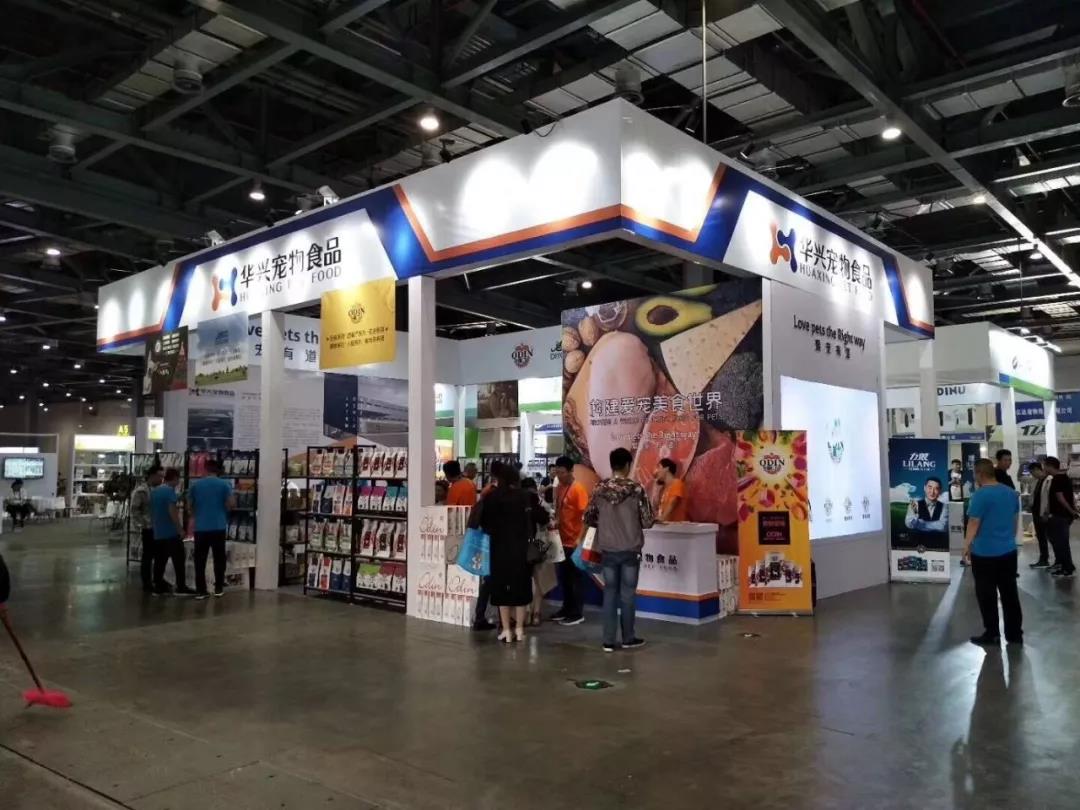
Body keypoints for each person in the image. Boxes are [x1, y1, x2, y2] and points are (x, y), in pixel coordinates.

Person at [584, 447, 654, 652]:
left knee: (609, 593)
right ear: (628, 465)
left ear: (612, 464)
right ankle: (628, 638)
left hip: (608, 549)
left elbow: (589, 517)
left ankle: (608, 641)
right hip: (631, 549)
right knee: (628, 594)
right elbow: (648, 521)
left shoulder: (599, 489)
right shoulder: (637, 490)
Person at [964, 459, 1022, 646]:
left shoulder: (980, 495)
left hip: (984, 553)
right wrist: (1009, 539)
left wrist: (966, 546)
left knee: (986, 595)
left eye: (975, 474)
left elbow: (974, 522)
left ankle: (992, 634)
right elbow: (1014, 521)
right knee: (1010, 593)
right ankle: (1015, 635)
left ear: (979, 474)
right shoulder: (1011, 493)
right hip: (1008, 551)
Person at [478, 465, 534, 643]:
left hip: (498, 549)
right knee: (521, 588)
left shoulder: (492, 497)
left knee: (501, 590)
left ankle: (506, 631)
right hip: (522, 549)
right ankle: (520, 629)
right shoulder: (525, 496)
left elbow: (484, 523)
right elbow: (535, 520)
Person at [187, 457, 235, 599]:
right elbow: (231, 504)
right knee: (219, 559)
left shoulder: (195, 485)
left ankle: (201, 590)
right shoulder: (225, 484)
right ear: (218, 470)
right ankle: (218, 588)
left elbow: (189, 506)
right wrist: (224, 509)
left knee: (200, 560)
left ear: (206, 469)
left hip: (200, 528)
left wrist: (197, 514)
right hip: (218, 526)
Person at [553, 455, 589, 625]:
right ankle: (566, 608)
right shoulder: (560, 487)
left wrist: (580, 539)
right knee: (565, 578)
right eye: (557, 472)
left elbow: (586, 517)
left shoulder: (578, 490)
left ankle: (576, 613)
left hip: (574, 541)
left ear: (571, 471)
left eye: (562, 472)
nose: (559, 476)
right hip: (562, 540)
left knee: (575, 579)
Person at [150, 469, 193, 595]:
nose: (178, 482)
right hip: (171, 533)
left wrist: (179, 497)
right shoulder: (169, 492)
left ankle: (158, 586)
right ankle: (181, 586)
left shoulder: (155, 491)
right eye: (178, 479)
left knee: (160, 561)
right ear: (174, 478)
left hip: (158, 532)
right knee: (179, 560)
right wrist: (180, 529)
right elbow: (172, 512)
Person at [522, 478, 552, 625]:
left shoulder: (518, 504)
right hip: (539, 545)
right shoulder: (539, 504)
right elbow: (547, 520)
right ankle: (536, 613)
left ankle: (526, 612)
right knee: (539, 579)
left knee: (524, 581)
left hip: (522, 547)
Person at [1042, 456, 1077, 578]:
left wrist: (1071, 511)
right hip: (1064, 516)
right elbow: (1070, 496)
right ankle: (1066, 566)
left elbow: (1060, 498)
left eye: (1044, 466)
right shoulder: (1065, 477)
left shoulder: (1057, 479)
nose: (1044, 468)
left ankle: (1067, 568)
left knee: (1061, 543)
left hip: (1060, 516)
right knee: (1061, 542)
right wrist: (1073, 510)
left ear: (1050, 466)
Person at [132, 465, 162, 593]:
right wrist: (142, 524)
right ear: (152, 476)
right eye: (159, 476)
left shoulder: (158, 490)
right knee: (148, 556)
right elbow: (135, 510)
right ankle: (147, 583)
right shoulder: (142, 491)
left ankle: (158, 580)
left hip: (159, 527)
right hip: (148, 527)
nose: (161, 479)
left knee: (159, 555)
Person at [1028, 462, 1053, 569]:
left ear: (1037, 469)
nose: (1032, 475)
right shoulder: (1036, 481)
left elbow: (1050, 498)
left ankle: (1060, 561)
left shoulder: (1049, 480)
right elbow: (1033, 496)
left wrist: (1047, 512)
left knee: (1052, 538)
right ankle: (1044, 559)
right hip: (1036, 513)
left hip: (1045, 514)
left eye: (1032, 472)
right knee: (1041, 537)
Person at [654, 458, 688, 522]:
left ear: (666, 468)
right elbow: (657, 507)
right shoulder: (662, 489)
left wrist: (662, 518)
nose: (656, 471)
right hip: (665, 525)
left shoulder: (677, 483)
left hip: (675, 525)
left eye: (659, 467)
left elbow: (672, 503)